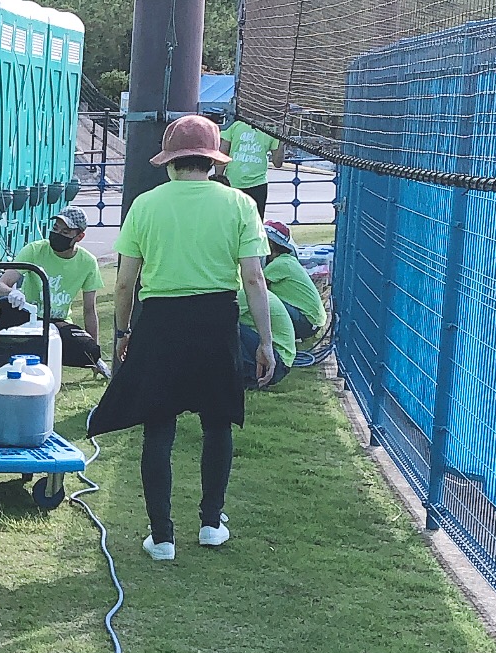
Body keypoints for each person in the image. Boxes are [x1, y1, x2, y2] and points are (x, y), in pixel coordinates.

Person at [90, 114, 276, 561]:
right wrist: (266, 341)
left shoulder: (146, 204)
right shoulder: (239, 205)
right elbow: (254, 279)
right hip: (216, 319)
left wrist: (122, 331)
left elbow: (123, 282)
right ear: (213, 161)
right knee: (218, 422)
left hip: (160, 320)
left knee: (159, 425)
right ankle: (212, 523)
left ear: (170, 161)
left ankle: (163, 537)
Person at [0, 206, 105, 371]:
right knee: (1, 309)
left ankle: (37, 352)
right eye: (55, 228)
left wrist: (95, 354)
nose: (57, 234)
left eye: (65, 232)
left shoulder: (88, 262)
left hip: (58, 322)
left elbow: (89, 310)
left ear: (79, 236)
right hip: (27, 315)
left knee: (88, 351)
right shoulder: (35, 250)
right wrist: (12, 293)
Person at [261, 220, 325, 342]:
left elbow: (254, 285)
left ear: (271, 244)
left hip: (306, 323)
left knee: (262, 302)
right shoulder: (287, 260)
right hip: (312, 322)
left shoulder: (280, 264)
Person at [219, 116, 285, 220]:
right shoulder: (235, 123)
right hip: (233, 183)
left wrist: (282, 141)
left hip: (258, 184)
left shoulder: (272, 129)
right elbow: (223, 153)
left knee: (255, 223)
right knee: (231, 221)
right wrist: (219, 177)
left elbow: (277, 163)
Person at [240, 281, 297, 389]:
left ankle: (249, 378)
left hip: (273, 362)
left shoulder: (245, 295)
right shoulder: (259, 293)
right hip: (280, 363)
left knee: (224, 325)